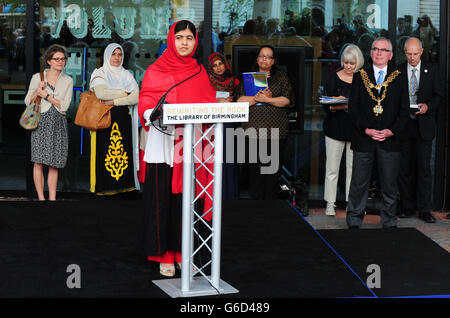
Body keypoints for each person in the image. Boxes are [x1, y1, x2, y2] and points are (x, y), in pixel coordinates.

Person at [138, 20, 217, 277]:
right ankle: (163, 255)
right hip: (162, 145)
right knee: (161, 201)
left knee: (186, 202)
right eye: (180, 37)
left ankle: (184, 252)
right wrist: (152, 112)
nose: (184, 43)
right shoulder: (155, 69)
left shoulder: (199, 71)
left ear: (196, 42)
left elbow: (208, 103)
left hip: (189, 146)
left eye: (189, 38)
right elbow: (146, 99)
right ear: (171, 39)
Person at [346, 37, 409, 229]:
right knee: (358, 183)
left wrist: (391, 131)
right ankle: (354, 220)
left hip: (389, 140)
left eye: (383, 50)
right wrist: (367, 130)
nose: (379, 52)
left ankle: (389, 220)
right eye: (375, 49)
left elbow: (404, 111)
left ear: (390, 55)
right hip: (364, 139)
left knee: (389, 184)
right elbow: (353, 109)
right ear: (370, 53)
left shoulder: (399, 77)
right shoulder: (360, 75)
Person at [236, 45, 294, 200]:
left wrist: (268, 99)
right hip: (253, 132)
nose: (264, 59)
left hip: (276, 132)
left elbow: (286, 100)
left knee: (272, 175)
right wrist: (256, 98)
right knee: (255, 175)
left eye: (268, 57)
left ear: (273, 61)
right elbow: (240, 101)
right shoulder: (248, 78)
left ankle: (270, 212)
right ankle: (257, 212)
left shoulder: (281, 78)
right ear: (257, 59)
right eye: (262, 56)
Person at [397, 37, 442, 223]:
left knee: (424, 169)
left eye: (415, 54)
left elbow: (439, 96)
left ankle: (424, 209)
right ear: (404, 52)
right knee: (405, 168)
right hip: (405, 125)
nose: (412, 58)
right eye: (409, 54)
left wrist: (428, 107)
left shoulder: (432, 70)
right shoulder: (398, 71)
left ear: (421, 52)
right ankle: (407, 207)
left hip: (424, 125)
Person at [89, 43, 140, 195]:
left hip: (123, 119)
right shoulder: (100, 72)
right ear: (107, 56)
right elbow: (101, 94)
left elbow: (136, 96)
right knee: (103, 154)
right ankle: (105, 189)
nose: (117, 58)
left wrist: (115, 100)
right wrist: (124, 93)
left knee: (123, 153)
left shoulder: (126, 74)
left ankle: (123, 187)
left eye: (119, 54)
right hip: (103, 119)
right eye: (113, 54)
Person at [24, 44, 73, 200]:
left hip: (58, 122)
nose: (60, 62)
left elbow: (65, 105)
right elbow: (27, 101)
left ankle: (52, 199)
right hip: (41, 122)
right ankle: (41, 198)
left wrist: (47, 96)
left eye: (63, 59)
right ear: (49, 61)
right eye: (56, 59)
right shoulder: (37, 77)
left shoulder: (68, 80)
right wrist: (38, 92)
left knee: (55, 163)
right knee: (38, 161)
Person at [323, 44, 364, 216]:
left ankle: (351, 204)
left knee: (352, 169)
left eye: (352, 63)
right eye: (346, 63)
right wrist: (336, 103)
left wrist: (350, 105)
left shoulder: (363, 79)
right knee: (332, 168)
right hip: (335, 127)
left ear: (358, 63)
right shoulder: (333, 77)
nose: (348, 66)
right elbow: (325, 104)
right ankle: (330, 204)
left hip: (355, 129)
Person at [206, 52, 240, 200]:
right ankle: (213, 196)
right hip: (212, 123)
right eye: (215, 65)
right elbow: (203, 98)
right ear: (211, 68)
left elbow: (240, 101)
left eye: (221, 64)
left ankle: (229, 195)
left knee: (229, 159)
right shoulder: (206, 81)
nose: (219, 68)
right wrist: (218, 100)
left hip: (229, 123)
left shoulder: (235, 81)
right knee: (213, 158)